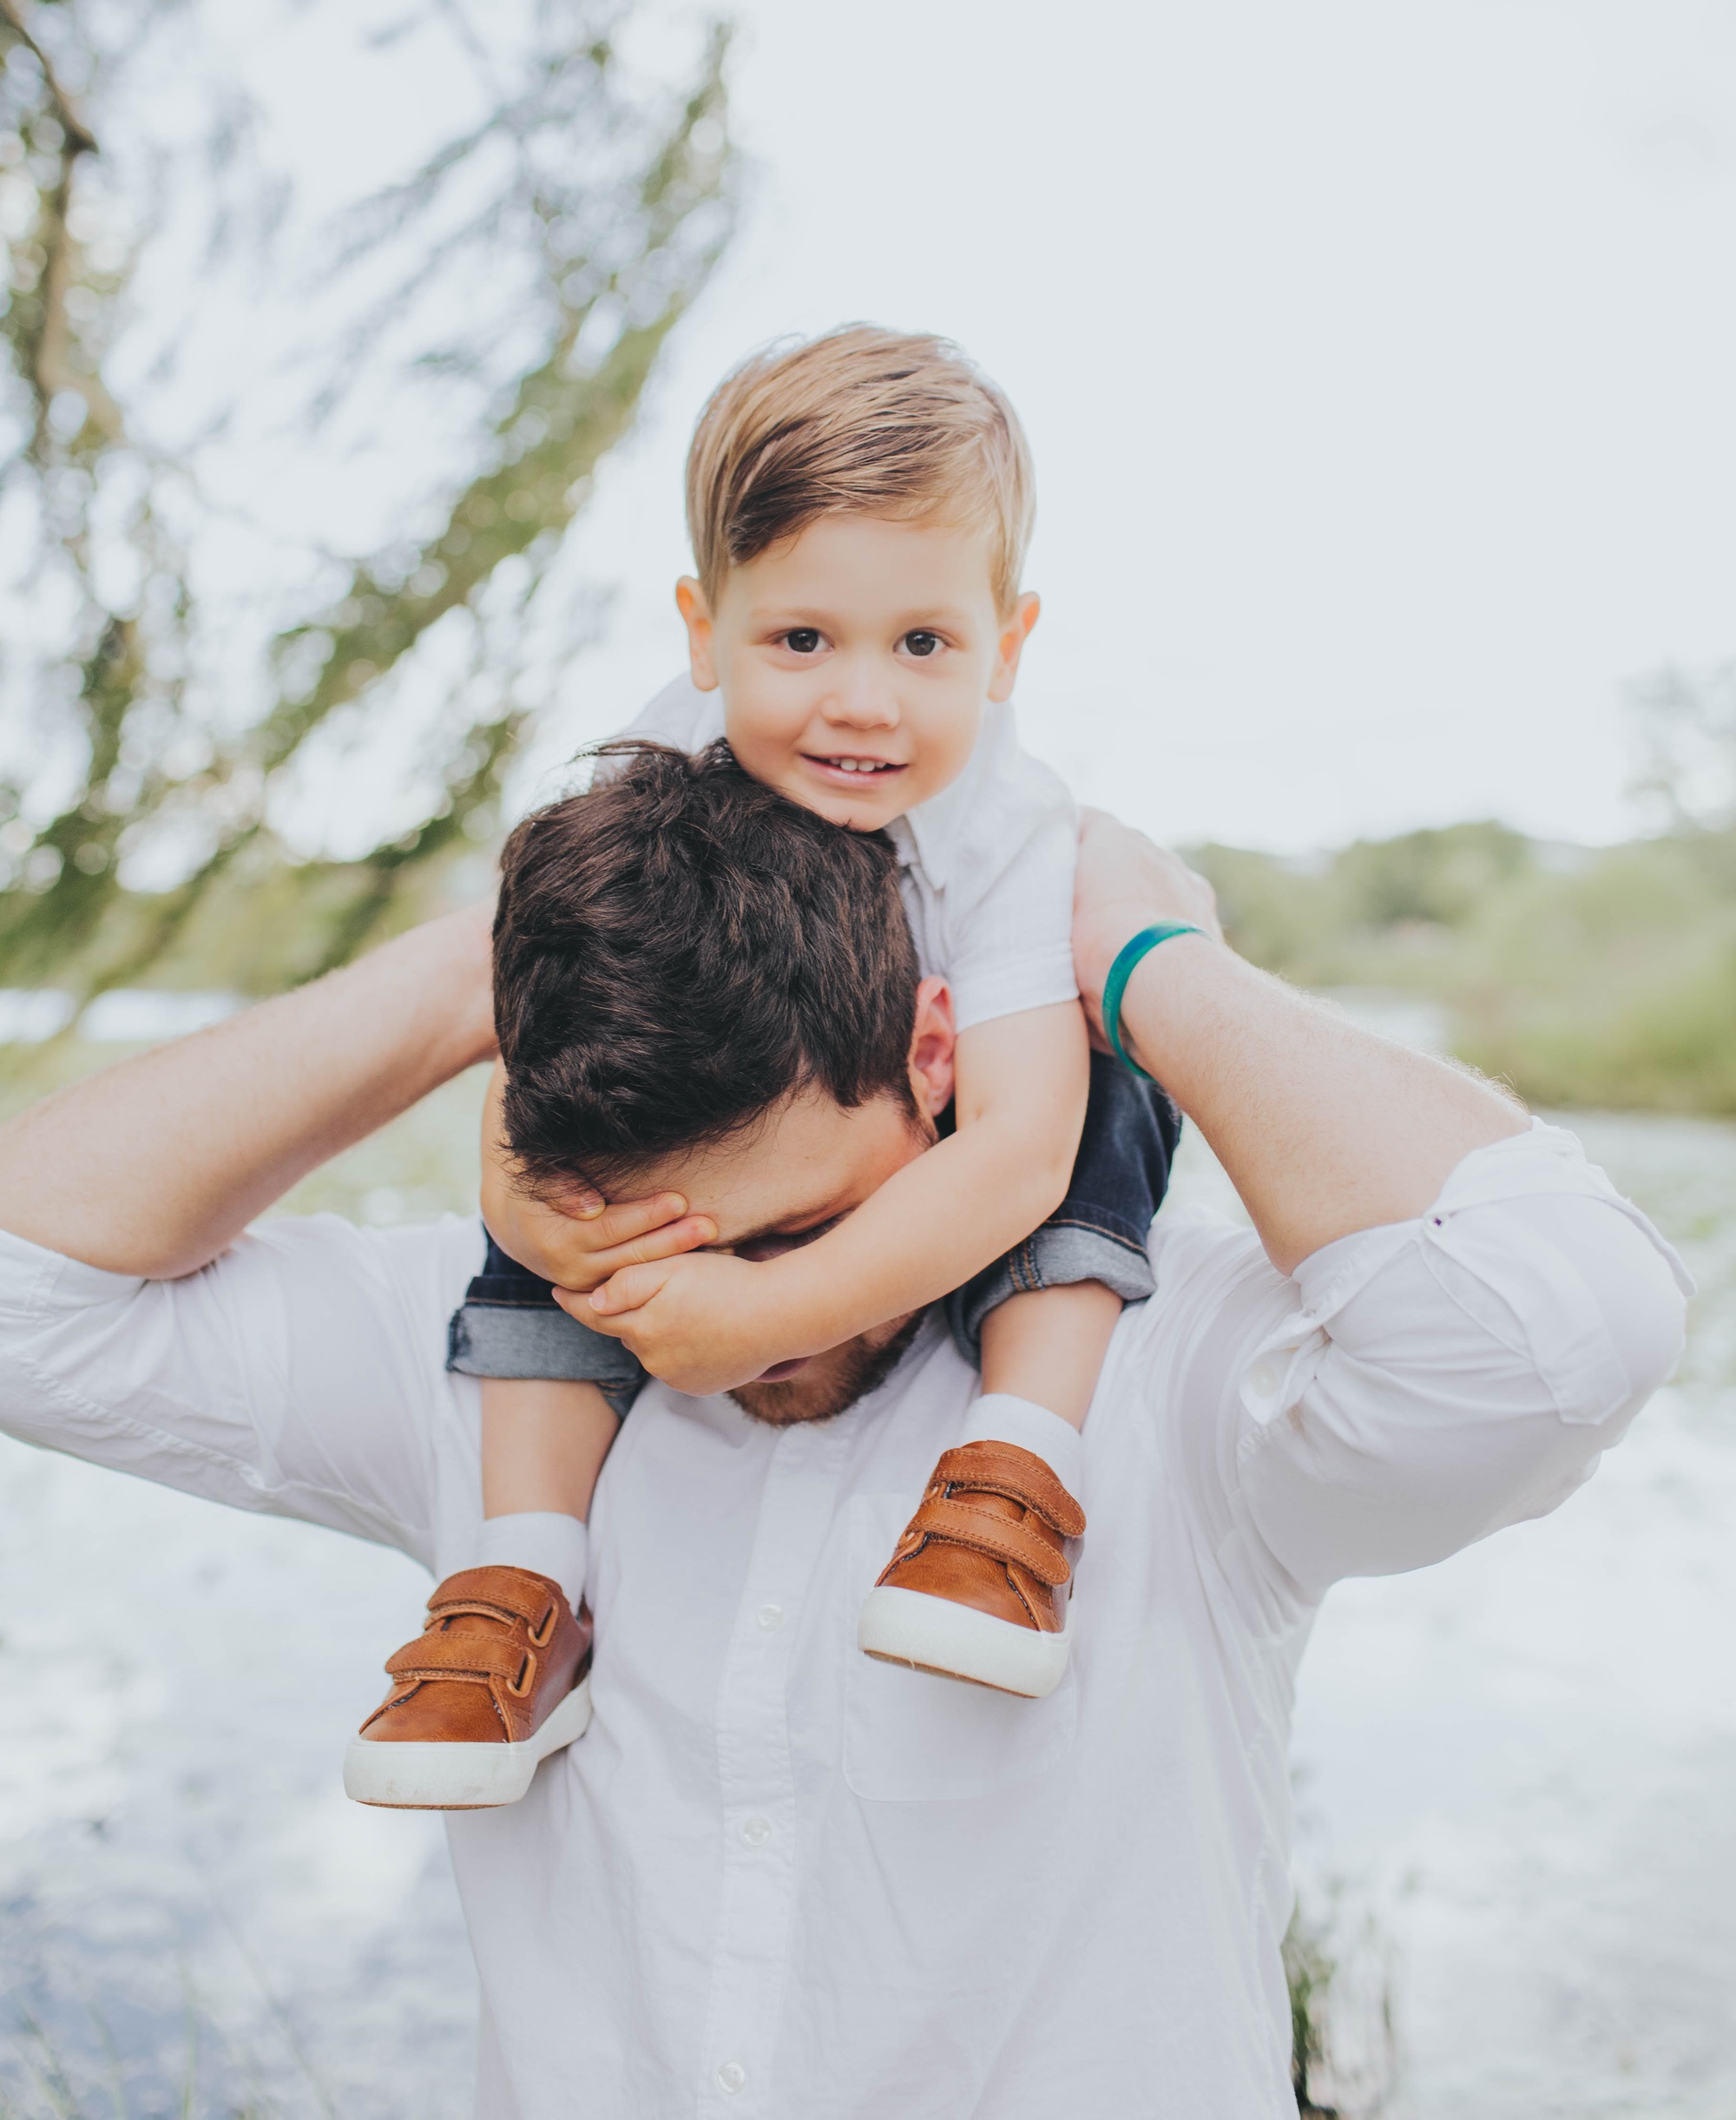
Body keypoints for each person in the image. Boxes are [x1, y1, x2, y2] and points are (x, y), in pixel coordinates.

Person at [0, 767, 1687, 2117]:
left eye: (802, 1231)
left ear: (933, 1055)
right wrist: (477, 969)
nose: (736, 1317)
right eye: (645, 1251)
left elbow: (1564, 1329)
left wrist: (1142, 964)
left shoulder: (1178, 1367)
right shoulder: (482, 1363)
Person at [410, 326, 1179, 1810]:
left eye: (925, 645)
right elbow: (541, 1032)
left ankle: (1016, 1462)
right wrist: (547, 1217)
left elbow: (1017, 1147)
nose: (863, 703)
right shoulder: (659, 768)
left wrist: (772, 1308)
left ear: (1008, 646)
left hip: (950, 1149)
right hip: (705, 1127)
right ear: (704, 634)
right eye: (802, 641)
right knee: (586, 1117)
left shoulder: (1009, 833)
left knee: (1106, 1093)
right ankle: (521, 1579)